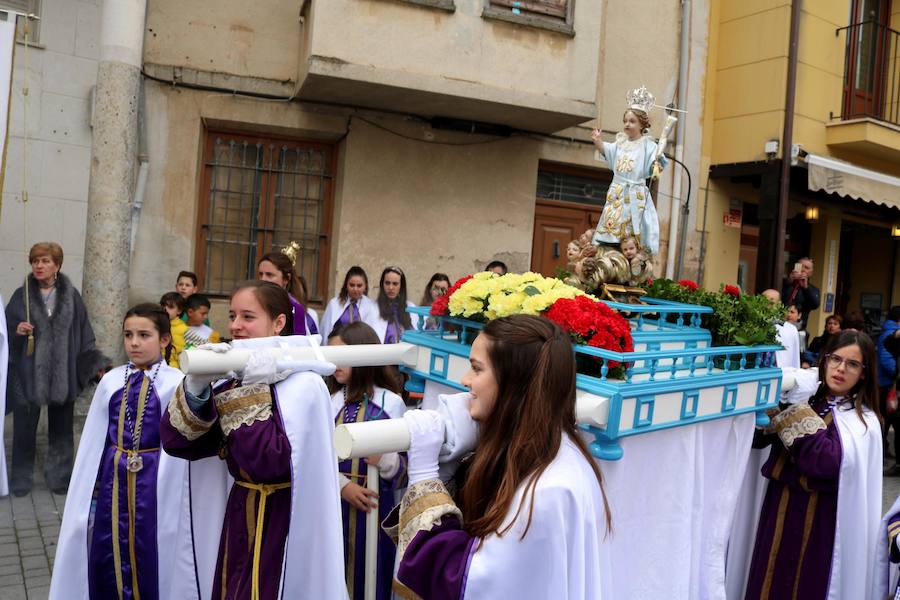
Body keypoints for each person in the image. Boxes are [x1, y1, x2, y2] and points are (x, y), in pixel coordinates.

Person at [385, 315, 611, 598]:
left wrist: (425, 476)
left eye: (476, 369)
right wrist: (455, 465)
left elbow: (465, 584)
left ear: (513, 385)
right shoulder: (560, 452)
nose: (465, 380)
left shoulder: (546, 493)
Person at [160, 280, 345, 599]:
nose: (235, 326)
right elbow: (180, 443)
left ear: (278, 323)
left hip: (284, 519)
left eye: (247, 317)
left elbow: (268, 461)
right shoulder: (233, 378)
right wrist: (198, 387)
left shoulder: (306, 384)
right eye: (232, 316)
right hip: (239, 513)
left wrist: (250, 390)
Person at [50, 303, 187, 599]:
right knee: (109, 545)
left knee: (150, 545)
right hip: (114, 479)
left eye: (144, 335)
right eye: (128, 335)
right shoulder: (111, 381)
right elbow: (95, 440)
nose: (134, 343)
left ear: (164, 340)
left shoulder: (176, 383)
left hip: (156, 480)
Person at [744, 330, 882, 599]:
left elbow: (823, 462)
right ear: (825, 360)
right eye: (835, 359)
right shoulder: (810, 399)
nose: (840, 369)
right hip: (779, 508)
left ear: (864, 372)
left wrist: (794, 407)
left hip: (821, 523)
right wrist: (772, 401)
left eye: (852, 364)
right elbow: (757, 440)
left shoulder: (863, 422)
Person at [5, 242, 110, 496]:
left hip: (64, 373)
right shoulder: (22, 295)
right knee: (23, 430)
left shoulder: (71, 295)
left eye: (45, 261)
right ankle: (20, 480)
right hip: (27, 374)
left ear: (57, 265)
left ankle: (60, 478)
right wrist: (16, 330)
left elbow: (84, 332)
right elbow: (4, 329)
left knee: (61, 430)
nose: (39, 266)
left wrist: (95, 365)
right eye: (35, 261)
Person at [328, 322, 407, 600]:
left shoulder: (391, 403)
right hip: (334, 507)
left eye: (342, 355)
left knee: (372, 574)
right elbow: (318, 457)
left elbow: (405, 469)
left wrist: (385, 458)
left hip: (376, 508)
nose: (333, 362)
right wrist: (342, 487)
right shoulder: (330, 402)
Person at [590, 87, 669, 258]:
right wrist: (598, 141)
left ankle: (633, 254)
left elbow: (655, 165)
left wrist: (657, 165)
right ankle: (608, 251)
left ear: (642, 124)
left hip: (636, 194)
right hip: (617, 192)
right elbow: (608, 152)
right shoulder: (620, 143)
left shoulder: (649, 145)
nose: (627, 124)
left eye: (632, 121)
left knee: (633, 229)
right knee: (611, 226)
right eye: (625, 121)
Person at [256, 251, 318, 335]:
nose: (263, 279)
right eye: (260, 274)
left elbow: (299, 344)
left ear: (286, 279)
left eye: (269, 275)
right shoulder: (252, 303)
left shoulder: (296, 309)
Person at [320, 266, 378, 344]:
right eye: (352, 285)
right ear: (346, 285)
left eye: (359, 285)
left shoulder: (371, 306)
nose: (355, 289)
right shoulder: (334, 304)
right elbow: (326, 330)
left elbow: (373, 332)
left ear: (365, 286)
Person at [879, 306, 900, 474]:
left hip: (890, 383)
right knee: (888, 419)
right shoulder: (891, 334)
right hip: (888, 384)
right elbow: (887, 352)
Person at [373, 266, 417, 343]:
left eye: (395, 284)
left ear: (401, 286)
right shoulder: (373, 308)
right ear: (382, 285)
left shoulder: (411, 307)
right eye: (387, 283)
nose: (391, 287)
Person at [761, 289, 800, 369]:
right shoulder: (754, 326)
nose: (767, 306)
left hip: (782, 375)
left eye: (771, 302)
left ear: (779, 304)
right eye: (764, 302)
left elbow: (795, 359)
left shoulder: (791, 330)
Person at [781, 258, 820, 330]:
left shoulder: (813, 289)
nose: (803, 269)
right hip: (780, 322)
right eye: (801, 266)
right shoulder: (785, 283)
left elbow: (815, 305)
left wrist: (805, 287)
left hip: (799, 327)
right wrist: (789, 281)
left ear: (811, 273)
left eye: (806, 268)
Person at [160, 291, 188, 369]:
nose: (165, 309)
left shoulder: (185, 329)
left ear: (179, 311)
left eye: (170, 307)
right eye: (163, 306)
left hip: (176, 369)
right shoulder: (157, 325)